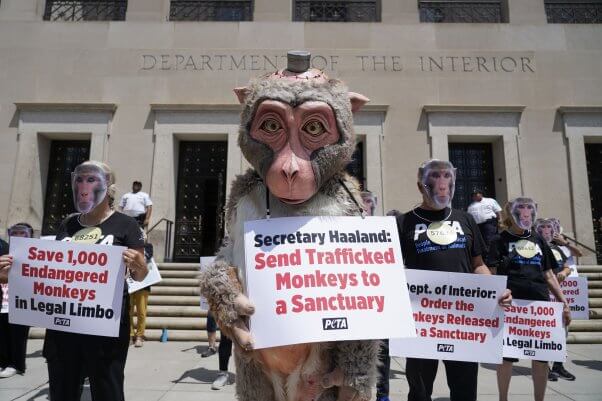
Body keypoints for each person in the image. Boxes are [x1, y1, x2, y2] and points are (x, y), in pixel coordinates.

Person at [0, 161, 148, 401]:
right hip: (63, 328)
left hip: (104, 329)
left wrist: (139, 266)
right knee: (62, 391)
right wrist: (12, 275)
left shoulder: (126, 225)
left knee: (107, 390)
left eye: (91, 179)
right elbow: (52, 274)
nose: (83, 186)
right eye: (79, 179)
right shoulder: (67, 224)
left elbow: (139, 275)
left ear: (107, 187)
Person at [396, 159, 511, 401]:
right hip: (422, 323)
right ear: (421, 185)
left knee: (465, 389)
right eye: (435, 176)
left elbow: (477, 265)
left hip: (462, 322)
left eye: (447, 176)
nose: (442, 184)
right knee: (419, 390)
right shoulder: (404, 222)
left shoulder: (465, 219)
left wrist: (496, 290)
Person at [488, 199, 571, 401]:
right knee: (506, 358)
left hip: (539, 306)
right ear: (510, 214)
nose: (526, 216)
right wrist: (499, 293)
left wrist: (564, 302)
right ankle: (503, 399)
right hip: (511, 308)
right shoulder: (499, 241)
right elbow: (491, 272)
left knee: (541, 360)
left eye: (529, 212)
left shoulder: (538, 239)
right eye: (521, 212)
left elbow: (549, 274)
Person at [535, 218, 577, 382]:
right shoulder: (535, 247)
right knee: (545, 333)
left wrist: (565, 272)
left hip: (558, 296)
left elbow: (566, 265)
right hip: (543, 295)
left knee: (562, 331)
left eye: (549, 228)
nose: (546, 231)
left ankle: (558, 365)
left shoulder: (558, 248)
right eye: (542, 228)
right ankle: (545, 368)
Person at [0, 223, 33, 379]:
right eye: (15, 232)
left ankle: (16, 364)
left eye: (22, 233)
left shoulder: (34, 252)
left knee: (18, 335)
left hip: (21, 300)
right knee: (3, 333)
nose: (18, 236)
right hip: (4, 298)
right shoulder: (5, 249)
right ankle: (4, 361)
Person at [129, 234, 154, 348]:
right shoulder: (127, 245)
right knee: (128, 311)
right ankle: (129, 335)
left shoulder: (147, 247)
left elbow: (147, 258)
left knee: (141, 312)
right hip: (129, 282)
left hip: (143, 284)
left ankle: (139, 336)